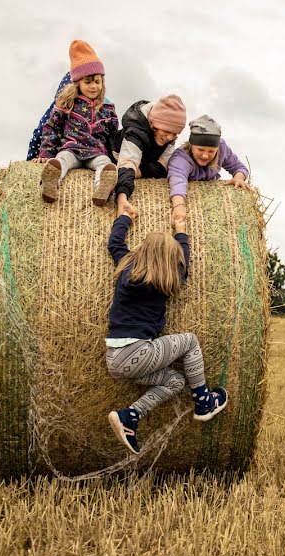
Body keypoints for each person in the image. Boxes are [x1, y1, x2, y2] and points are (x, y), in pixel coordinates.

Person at [105, 206, 227, 455]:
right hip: (137, 352)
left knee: (175, 381)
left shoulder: (127, 265)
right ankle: (204, 401)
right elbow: (184, 266)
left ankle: (130, 416)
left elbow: (115, 243)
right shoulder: (163, 281)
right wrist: (181, 232)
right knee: (190, 341)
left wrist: (125, 218)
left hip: (115, 359)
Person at [36, 40, 119, 207]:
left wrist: (116, 156)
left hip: (96, 152)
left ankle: (102, 189)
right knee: (62, 160)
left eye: (97, 81)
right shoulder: (68, 104)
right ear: (78, 84)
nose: (94, 86)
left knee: (105, 165)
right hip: (71, 148)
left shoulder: (108, 109)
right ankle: (51, 181)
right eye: (88, 82)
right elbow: (51, 128)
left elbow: (113, 135)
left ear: (102, 82)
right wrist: (46, 153)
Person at [112, 95, 187, 220]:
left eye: (175, 133)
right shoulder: (135, 132)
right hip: (118, 158)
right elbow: (128, 162)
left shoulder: (170, 137)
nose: (169, 137)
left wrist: (141, 172)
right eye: (167, 131)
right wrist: (122, 198)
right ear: (154, 124)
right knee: (121, 171)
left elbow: (163, 166)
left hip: (142, 164)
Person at [166, 115, 252, 224]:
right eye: (200, 149)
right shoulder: (180, 159)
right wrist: (179, 206)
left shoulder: (222, 149)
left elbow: (239, 167)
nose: (205, 156)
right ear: (191, 145)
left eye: (211, 151)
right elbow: (178, 181)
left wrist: (238, 177)